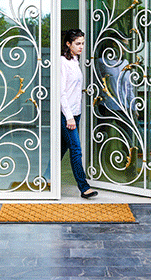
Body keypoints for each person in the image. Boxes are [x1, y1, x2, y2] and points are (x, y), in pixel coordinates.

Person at [60, 29, 98, 199]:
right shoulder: (63, 62)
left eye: (83, 43)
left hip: (76, 112)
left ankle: (45, 178)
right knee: (76, 149)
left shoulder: (75, 61)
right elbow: (61, 92)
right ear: (68, 44)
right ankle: (84, 187)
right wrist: (68, 116)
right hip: (67, 114)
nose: (82, 46)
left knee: (60, 148)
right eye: (78, 43)